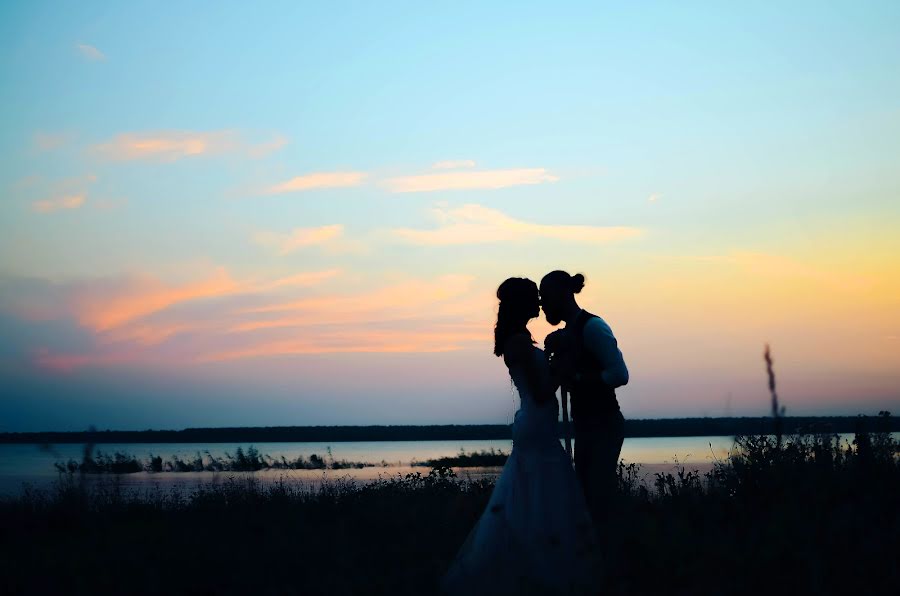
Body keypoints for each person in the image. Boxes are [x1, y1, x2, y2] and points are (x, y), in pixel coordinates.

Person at [442, 277, 597, 595]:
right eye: (534, 297)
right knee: (538, 495)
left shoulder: (522, 340)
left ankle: (543, 566)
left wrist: (555, 359)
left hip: (538, 426)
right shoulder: (516, 343)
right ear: (521, 304)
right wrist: (561, 362)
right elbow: (541, 392)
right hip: (535, 426)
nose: (540, 302)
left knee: (539, 496)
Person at [540, 271, 629, 526]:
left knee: (598, 497)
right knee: (586, 496)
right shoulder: (568, 331)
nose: (542, 304)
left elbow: (620, 374)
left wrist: (576, 378)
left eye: (545, 297)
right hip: (585, 426)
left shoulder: (593, 326)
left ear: (562, 294)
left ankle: (611, 555)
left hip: (604, 424)